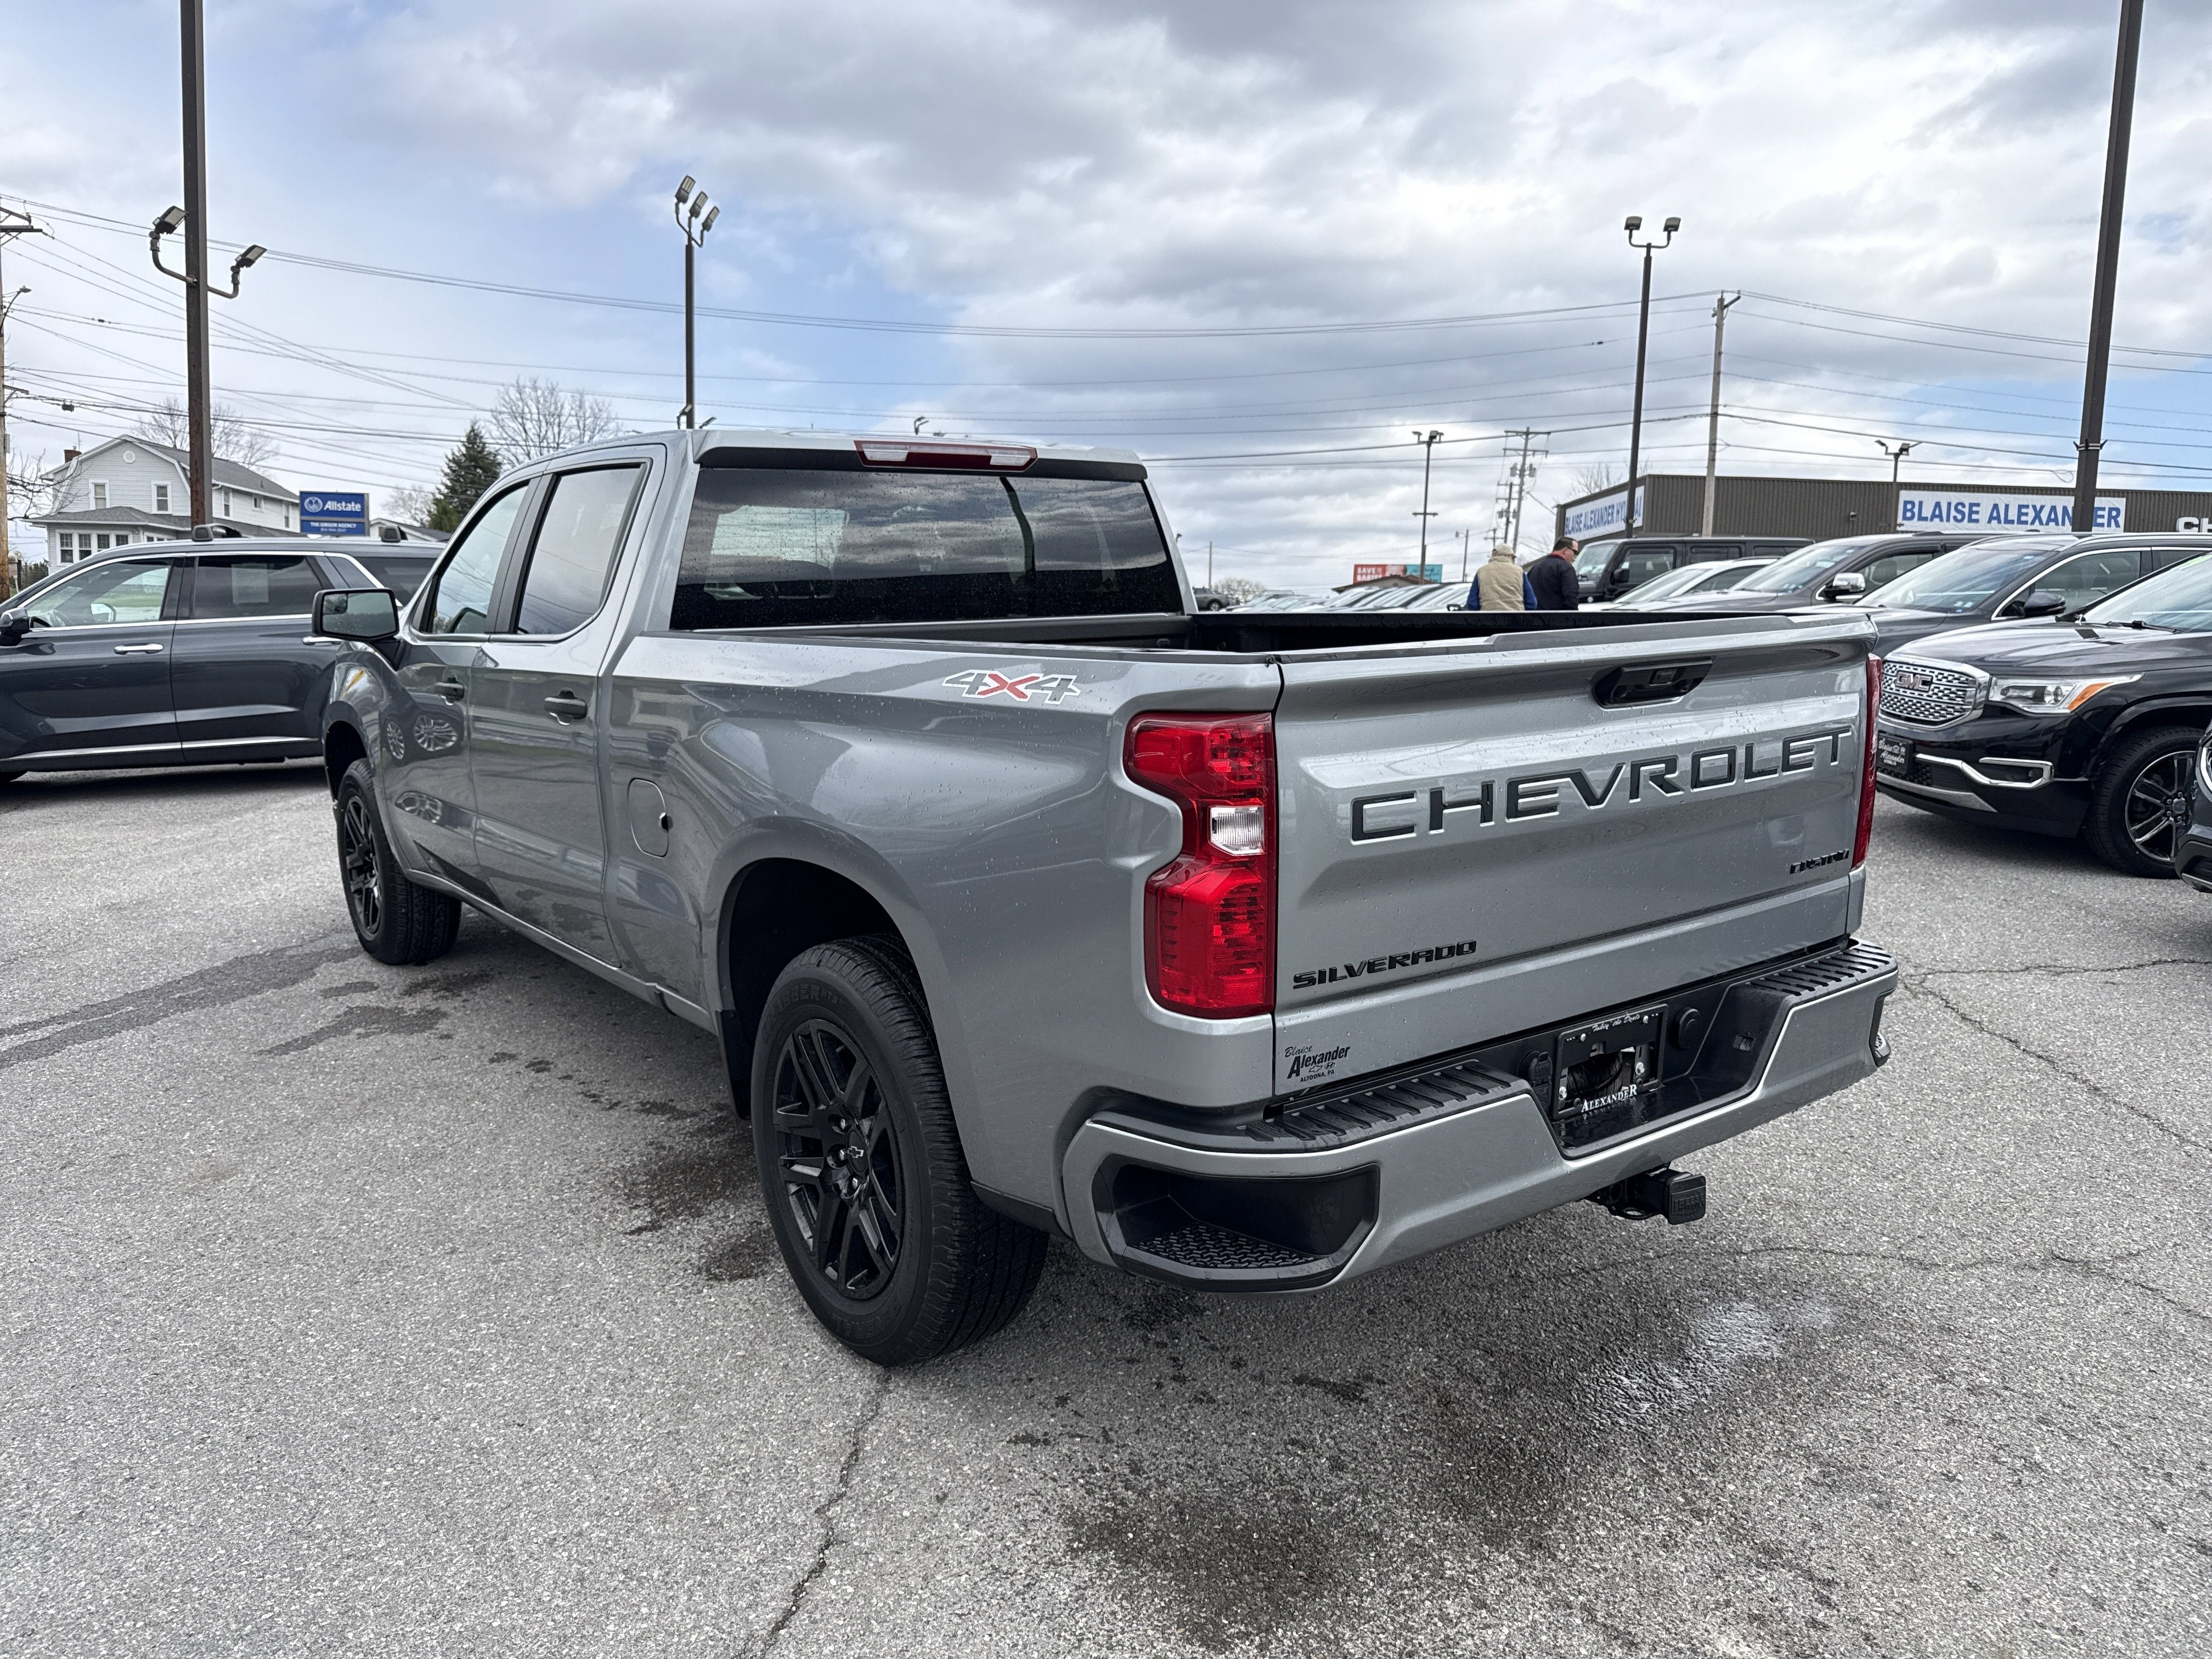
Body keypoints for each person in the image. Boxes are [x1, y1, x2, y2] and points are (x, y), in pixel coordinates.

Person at [1527, 535, 1581, 610]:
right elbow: (1571, 596)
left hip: (1534, 618)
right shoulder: (1566, 568)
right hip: (1557, 618)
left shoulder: (1534, 568)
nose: (1575, 557)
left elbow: (1527, 596)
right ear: (1565, 550)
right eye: (1575, 552)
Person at [1474, 543, 1531, 611]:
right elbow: (1531, 602)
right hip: (1515, 618)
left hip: (1488, 619)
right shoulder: (1519, 572)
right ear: (1509, 556)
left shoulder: (1481, 572)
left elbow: (1472, 603)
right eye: (1513, 557)